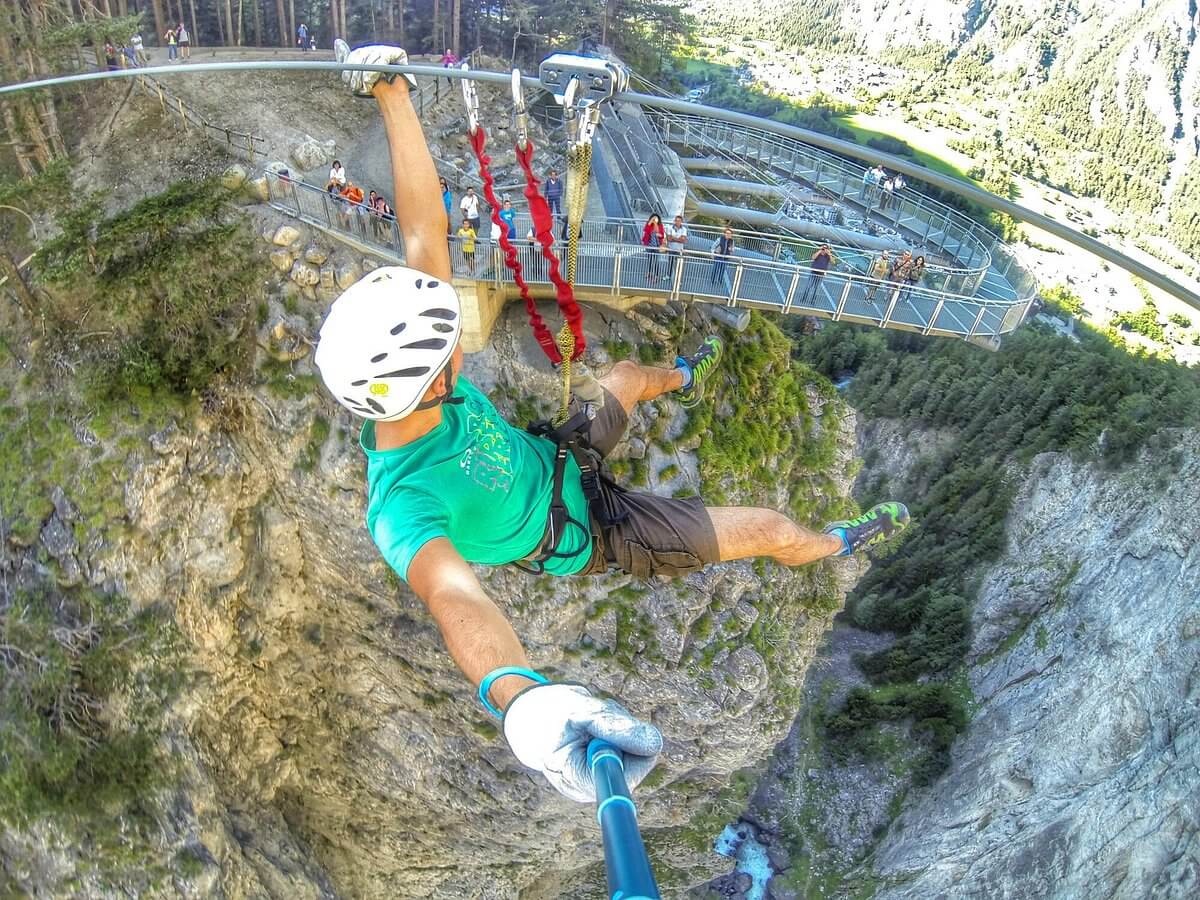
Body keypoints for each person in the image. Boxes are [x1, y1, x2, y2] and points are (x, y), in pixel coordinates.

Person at [320, 43, 910, 806]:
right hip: (592, 530)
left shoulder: (412, 391)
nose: (460, 349)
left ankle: (683, 375)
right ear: (430, 384)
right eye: (450, 351)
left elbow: (424, 233)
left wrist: (393, 95)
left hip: (556, 457)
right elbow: (455, 598)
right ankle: (836, 542)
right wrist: (520, 698)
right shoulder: (403, 510)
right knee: (768, 529)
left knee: (627, 377)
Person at [641, 213, 664, 282]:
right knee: (650, 260)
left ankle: (656, 276)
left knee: (656, 261)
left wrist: (658, 233)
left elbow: (662, 235)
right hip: (649, 245)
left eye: (656, 219)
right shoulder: (649, 225)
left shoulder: (660, 225)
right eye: (653, 218)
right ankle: (649, 273)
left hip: (656, 246)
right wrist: (651, 221)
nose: (654, 220)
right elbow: (645, 229)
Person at [664, 213, 688, 282]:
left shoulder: (684, 229)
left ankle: (678, 279)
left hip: (679, 250)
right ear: (674, 221)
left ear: (681, 222)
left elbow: (683, 240)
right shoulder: (670, 228)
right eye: (676, 220)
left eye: (679, 221)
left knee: (679, 264)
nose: (677, 222)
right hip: (671, 248)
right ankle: (668, 275)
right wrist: (679, 239)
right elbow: (669, 239)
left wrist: (673, 238)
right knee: (670, 263)